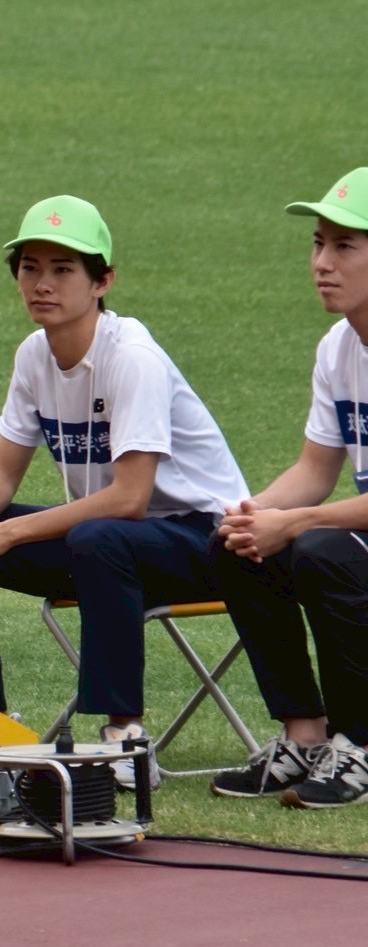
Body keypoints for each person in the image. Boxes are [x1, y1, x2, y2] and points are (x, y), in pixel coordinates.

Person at [0, 195, 249, 789]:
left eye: (63, 269)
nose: (42, 284)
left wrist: (6, 533)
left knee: (100, 536)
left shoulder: (132, 358)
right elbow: (2, 470)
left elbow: (130, 499)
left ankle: (125, 738)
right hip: (108, 547)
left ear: (102, 282)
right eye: (30, 268)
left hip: (207, 543)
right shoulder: (33, 355)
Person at [209, 168, 368, 808]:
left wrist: (298, 523)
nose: (322, 263)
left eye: (344, 246)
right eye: (318, 243)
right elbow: (315, 470)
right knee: (237, 544)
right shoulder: (339, 347)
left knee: (321, 550)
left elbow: (316, 513)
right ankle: (305, 736)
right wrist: (251, 514)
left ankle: (359, 743)